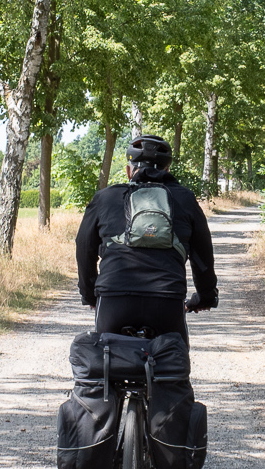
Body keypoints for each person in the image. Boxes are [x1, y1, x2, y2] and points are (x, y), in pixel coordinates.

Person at [76, 133, 217, 339]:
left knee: (107, 358)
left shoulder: (105, 198)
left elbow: (84, 248)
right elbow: (203, 253)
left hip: (114, 299)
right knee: (172, 360)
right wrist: (205, 297)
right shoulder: (185, 199)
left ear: (128, 171)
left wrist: (90, 295)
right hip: (167, 299)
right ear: (167, 170)